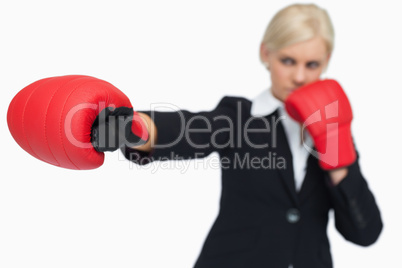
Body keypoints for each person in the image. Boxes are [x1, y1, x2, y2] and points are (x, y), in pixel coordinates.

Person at [96, 3, 383, 268]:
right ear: (265, 54)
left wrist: (338, 159)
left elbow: (365, 233)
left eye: (312, 65)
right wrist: (132, 127)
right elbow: (192, 128)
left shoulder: (333, 129)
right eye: (287, 60)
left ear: (327, 60)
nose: (299, 77)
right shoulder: (239, 116)